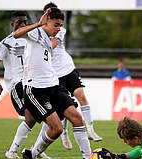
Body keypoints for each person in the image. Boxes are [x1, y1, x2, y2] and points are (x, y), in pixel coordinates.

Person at [13, 8, 91, 159]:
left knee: (76, 118)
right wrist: (38, 24)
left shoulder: (50, 38)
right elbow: (16, 34)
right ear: (46, 21)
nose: (59, 29)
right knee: (57, 129)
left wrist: (52, 43)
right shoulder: (36, 32)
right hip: (36, 90)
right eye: (56, 25)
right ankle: (33, 153)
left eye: (60, 25)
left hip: (54, 86)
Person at [40, 3, 102, 151]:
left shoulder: (60, 30)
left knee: (81, 95)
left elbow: (52, 44)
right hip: (54, 73)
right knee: (65, 106)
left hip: (68, 68)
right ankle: (64, 133)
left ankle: (90, 129)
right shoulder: (38, 32)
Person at [0, 11, 49, 159]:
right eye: (19, 22)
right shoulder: (6, 42)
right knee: (30, 117)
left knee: (51, 114)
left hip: (33, 81)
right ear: (12, 24)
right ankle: (12, 151)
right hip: (17, 83)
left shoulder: (31, 38)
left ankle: (36, 150)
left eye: (24, 22)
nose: (22, 24)